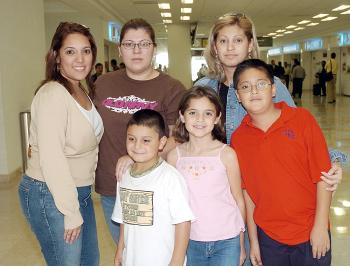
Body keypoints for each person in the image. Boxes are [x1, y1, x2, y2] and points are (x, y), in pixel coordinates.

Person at [194, 12, 343, 266]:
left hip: (261, 196)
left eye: (238, 40)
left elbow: (296, 134)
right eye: (223, 41)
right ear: (214, 48)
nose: (230, 48)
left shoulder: (273, 84)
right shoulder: (204, 87)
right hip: (218, 191)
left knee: (259, 253)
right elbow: (187, 133)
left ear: (250, 44)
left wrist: (332, 164)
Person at [231, 59, 337, 266]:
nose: (253, 91)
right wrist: (254, 241)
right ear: (238, 96)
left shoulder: (302, 120)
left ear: (273, 89)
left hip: (310, 232)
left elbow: (323, 178)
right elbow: (247, 194)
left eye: (261, 84)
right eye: (245, 87)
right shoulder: (239, 139)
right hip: (268, 237)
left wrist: (321, 226)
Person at [94, 18, 186, 244]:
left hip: (152, 187)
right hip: (111, 185)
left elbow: (178, 138)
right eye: (129, 44)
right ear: (120, 49)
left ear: (154, 48)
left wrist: (136, 156)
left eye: (144, 44)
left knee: (151, 253)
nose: (136, 50)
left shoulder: (172, 88)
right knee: (126, 253)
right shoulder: (103, 83)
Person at [18, 22, 103, 265]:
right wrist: (70, 211)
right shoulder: (52, 94)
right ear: (56, 58)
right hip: (51, 193)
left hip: (78, 192)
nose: (80, 59)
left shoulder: (80, 90)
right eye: (70, 51)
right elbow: (52, 158)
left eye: (86, 51)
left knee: (89, 261)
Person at [168, 86, 246, 266]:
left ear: (217, 118)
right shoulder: (175, 157)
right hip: (190, 241)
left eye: (208, 113)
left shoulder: (227, 154)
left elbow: (238, 201)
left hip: (227, 240)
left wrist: (241, 244)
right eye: (193, 112)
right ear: (182, 115)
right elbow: (171, 205)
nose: (200, 120)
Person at [113, 109, 194, 266]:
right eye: (131, 139)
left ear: (162, 142)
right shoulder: (124, 176)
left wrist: (176, 261)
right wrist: (120, 248)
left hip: (163, 260)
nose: (137, 146)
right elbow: (125, 218)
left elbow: (183, 222)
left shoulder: (170, 177)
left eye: (146, 140)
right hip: (132, 259)